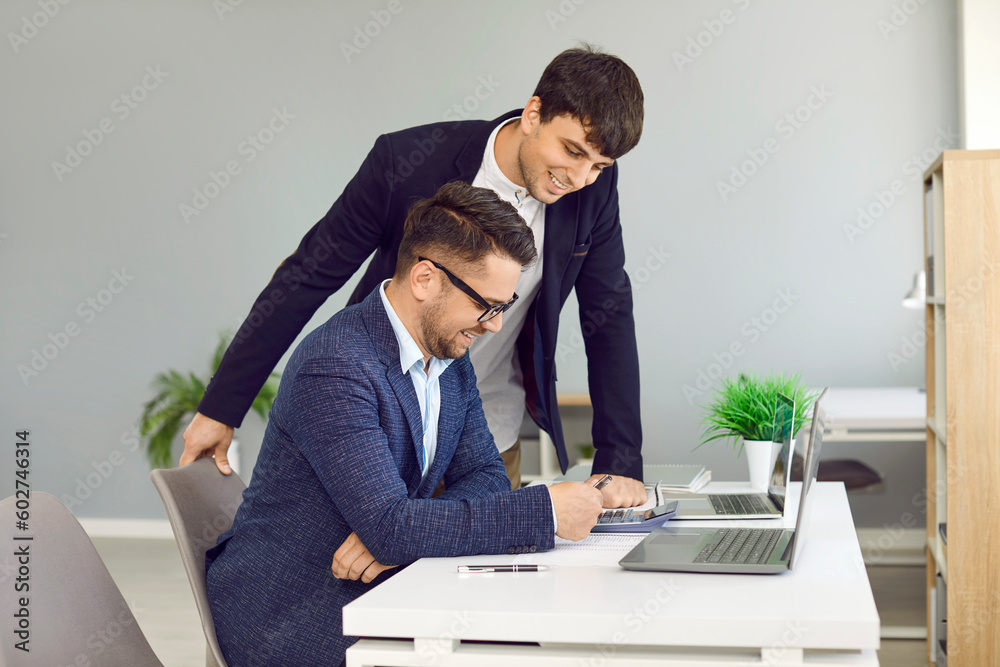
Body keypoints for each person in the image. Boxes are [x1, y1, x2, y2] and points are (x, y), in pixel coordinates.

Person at [182, 44, 647, 507]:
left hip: (487, 440)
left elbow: (608, 314)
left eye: (600, 166)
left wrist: (619, 460)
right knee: (367, 571)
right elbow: (307, 275)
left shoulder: (594, 191)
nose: (581, 177)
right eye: (572, 151)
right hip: (381, 432)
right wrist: (221, 407)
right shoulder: (405, 162)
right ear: (533, 114)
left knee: (492, 576)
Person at [205, 182, 604, 666]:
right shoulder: (335, 365)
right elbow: (395, 525)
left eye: (505, 305)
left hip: (380, 586)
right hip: (292, 617)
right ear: (425, 279)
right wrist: (545, 512)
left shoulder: (449, 354)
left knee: (525, 641)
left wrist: (402, 536)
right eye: (488, 305)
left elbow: (485, 476)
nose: (495, 325)